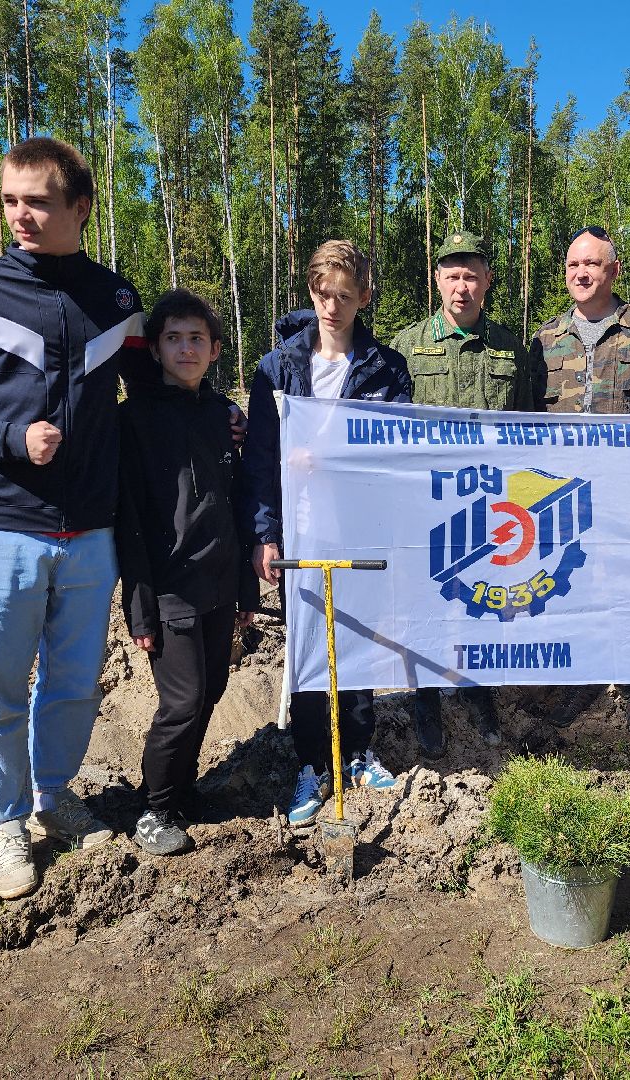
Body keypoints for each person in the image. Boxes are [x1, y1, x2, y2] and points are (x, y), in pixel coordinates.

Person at [0, 137, 146, 899]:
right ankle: (5, 824)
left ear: (80, 207)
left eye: (38, 201)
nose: (21, 214)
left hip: (90, 533)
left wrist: (219, 422)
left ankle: (55, 796)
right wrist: (10, 440)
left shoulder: (116, 301)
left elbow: (151, 396)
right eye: (11, 199)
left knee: (75, 683)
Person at [242, 239, 411, 826]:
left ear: (364, 296)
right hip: (300, 531)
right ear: (310, 290)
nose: (332, 306)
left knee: (358, 641)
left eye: (344, 295)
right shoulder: (278, 368)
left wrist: (332, 456)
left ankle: (359, 747)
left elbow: (393, 454)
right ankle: (313, 761)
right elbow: (260, 460)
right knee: (311, 646)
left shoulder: (388, 368)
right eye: (323, 293)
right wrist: (266, 534)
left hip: (360, 526)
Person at [115, 290, 259, 855]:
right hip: (168, 588)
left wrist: (246, 588)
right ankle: (153, 810)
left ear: (215, 348)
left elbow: (236, 504)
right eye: (173, 338)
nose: (185, 348)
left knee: (214, 688)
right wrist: (141, 603)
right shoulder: (134, 423)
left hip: (220, 581)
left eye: (196, 338)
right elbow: (129, 521)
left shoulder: (222, 417)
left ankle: (181, 791)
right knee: (182, 699)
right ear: (154, 348)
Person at [529, 225, 630, 739]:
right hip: (564, 495)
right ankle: (582, 678)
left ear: (613, 270)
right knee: (571, 586)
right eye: (574, 265)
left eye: (592, 264)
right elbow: (527, 422)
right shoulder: (546, 339)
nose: (581, 273)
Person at [391, 230, 530, 759]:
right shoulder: (406, 347)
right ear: (437, 279)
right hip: (429, 501)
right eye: (452, 275)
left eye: (471, 275)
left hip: (491, 501)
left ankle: (479, 691)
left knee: (482, 600)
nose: (461, 286)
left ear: (487, 281)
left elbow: (527, 425)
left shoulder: (511, 348)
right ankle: (424, 698)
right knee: (427, 600)